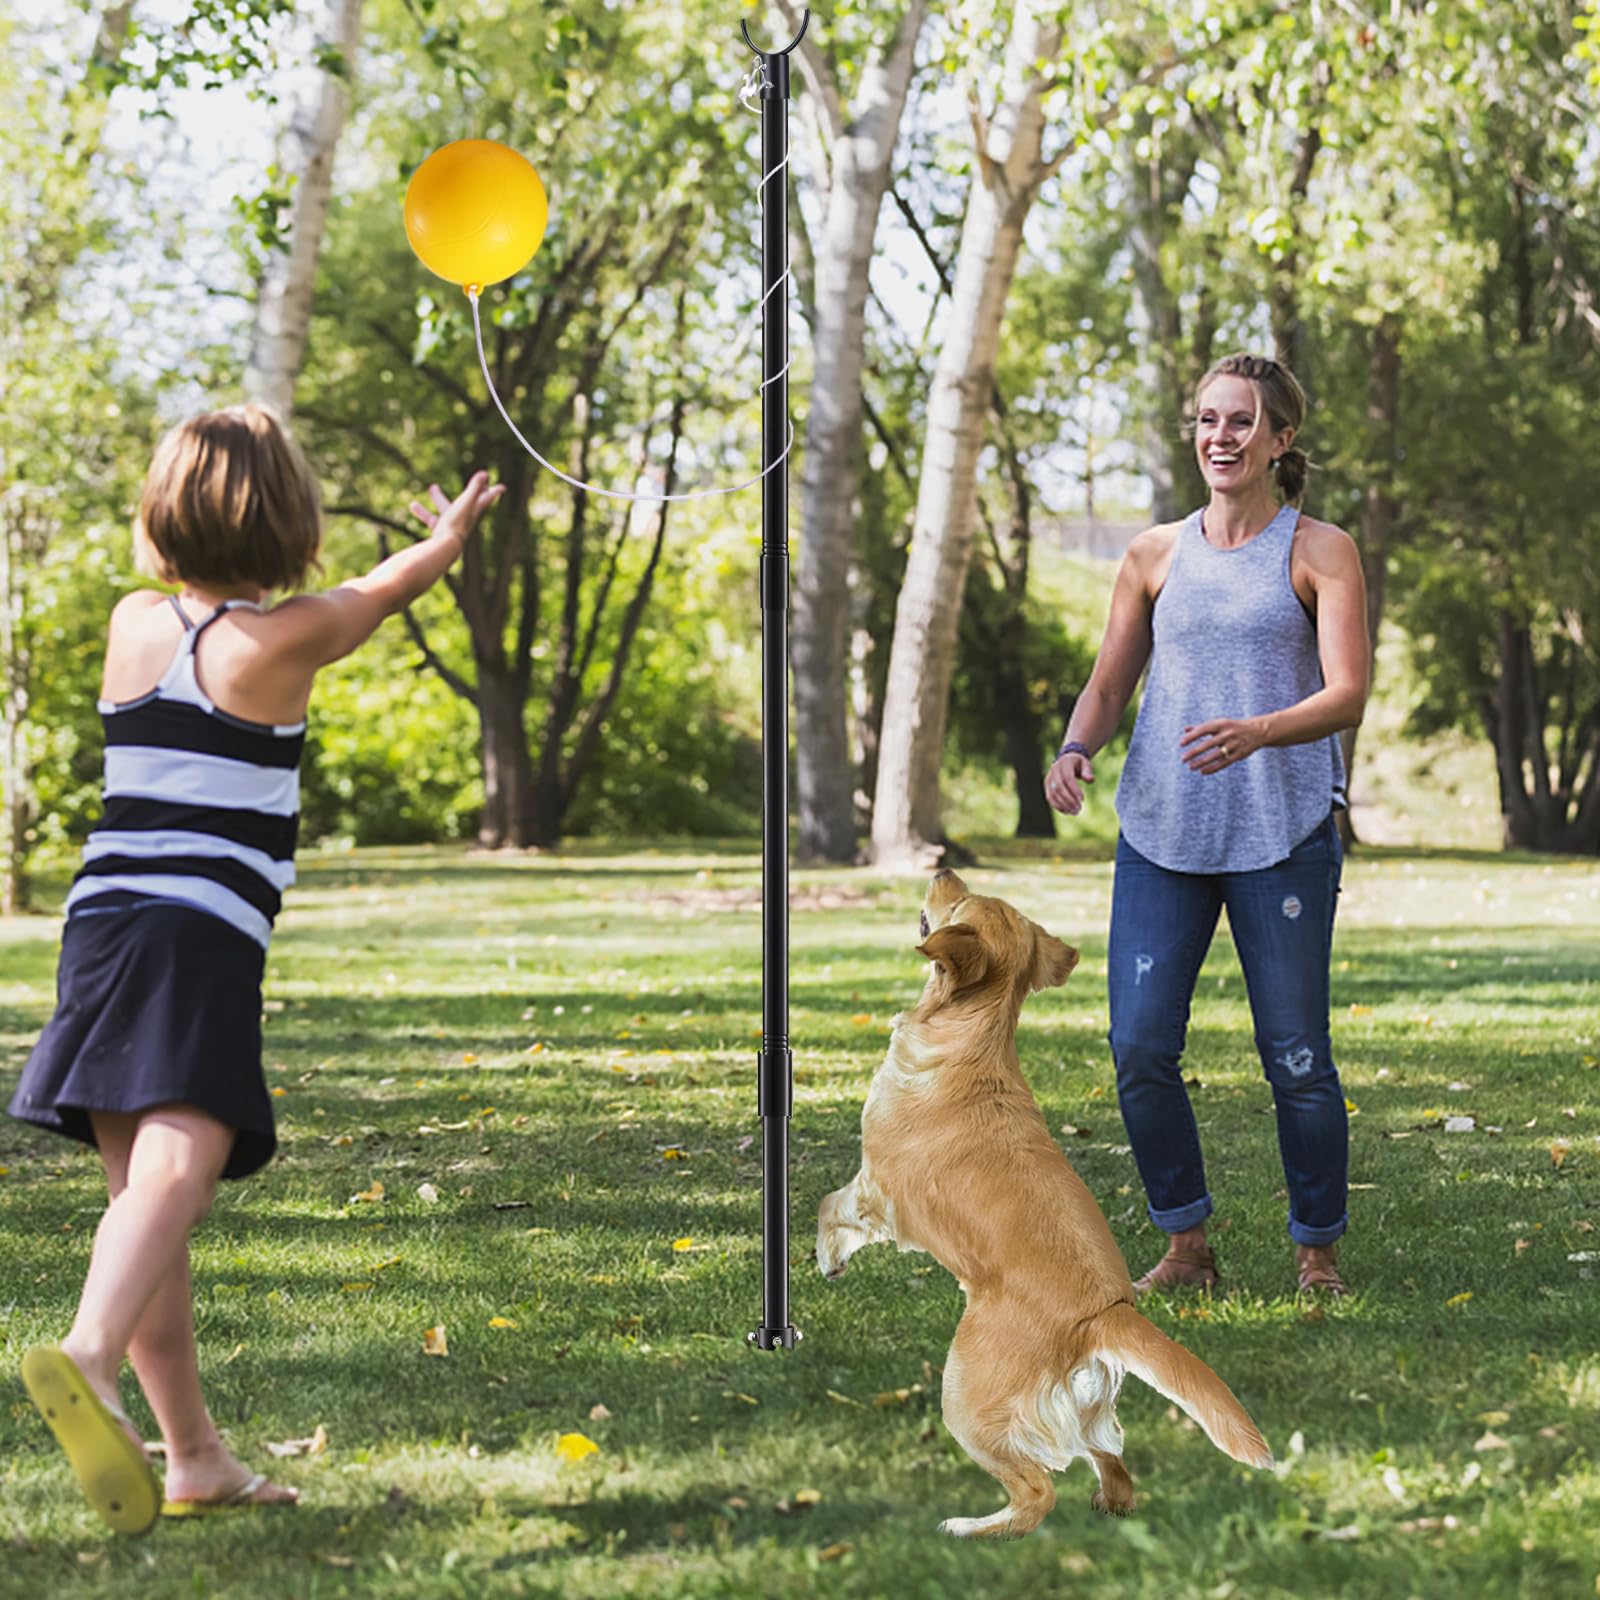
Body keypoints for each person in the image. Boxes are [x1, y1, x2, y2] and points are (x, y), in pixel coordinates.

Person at [8, 405, 504, 1532]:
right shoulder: (281, 641)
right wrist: (446, 539)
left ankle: (194, 1456)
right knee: (181, 1177)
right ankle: (87, 1355)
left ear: (163, 514)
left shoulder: (134, 623)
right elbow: (383, 591)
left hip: (100, 929)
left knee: (144, 1206)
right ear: (288, 521)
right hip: (197, 937)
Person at [1043, 353, 1368, 1299]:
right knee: (1141, 1048)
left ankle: (1317, 1255)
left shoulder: (1320, 551)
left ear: (1280, 439)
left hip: (1283, 834)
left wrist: (1259, 731)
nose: (1219, 437)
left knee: (1297, 1058)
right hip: (1162, 835)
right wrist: (1075, 746)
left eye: (1240, 421)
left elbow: (1348, 693)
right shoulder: (1153, 555)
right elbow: (1110, 684)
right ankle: (1186, 1247)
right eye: (1206, 420)